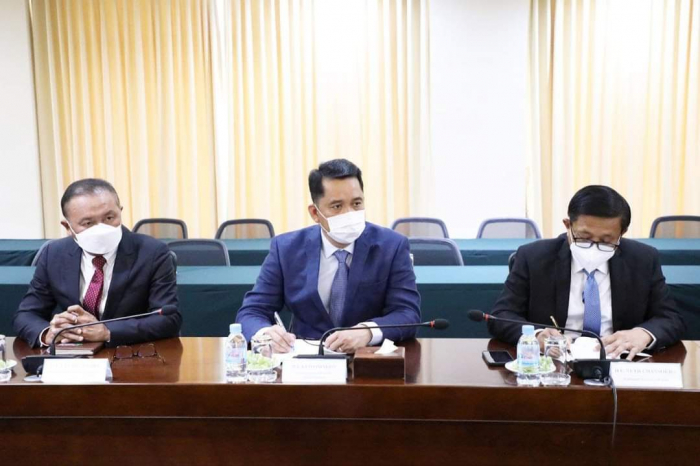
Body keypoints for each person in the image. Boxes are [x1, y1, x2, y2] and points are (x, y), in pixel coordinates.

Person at [236, 159, 421, 353]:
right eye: (337, 206)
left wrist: (368, 332)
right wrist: (265, 333)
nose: (349, 214)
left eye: (356, 203)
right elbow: (252, 311)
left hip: (368, 358)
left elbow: (407, 313)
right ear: (315, 213)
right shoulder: (286, 249)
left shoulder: (392, 246)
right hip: (306, 360)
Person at [488, 185, 685, 359]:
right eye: (584, 237)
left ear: (621, 233)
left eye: (606, 240)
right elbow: (501, 315)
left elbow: (670, 318)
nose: (593, 247)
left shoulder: (642, 259)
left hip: (618, 360)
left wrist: (643, 334)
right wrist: (536, 335)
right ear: (568, 225)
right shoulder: (533, 257)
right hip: (555, 363)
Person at [13, 178, 181, 348]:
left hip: (131, 352)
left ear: (120, 212)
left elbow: (168, 318)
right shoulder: (54, 254)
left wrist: (107, 331)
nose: (102, 229)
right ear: (68, 227)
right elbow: (26, 314)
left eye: (109, 218)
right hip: (74, 354)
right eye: (88, 223)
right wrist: (48, 334)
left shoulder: (153, 252)